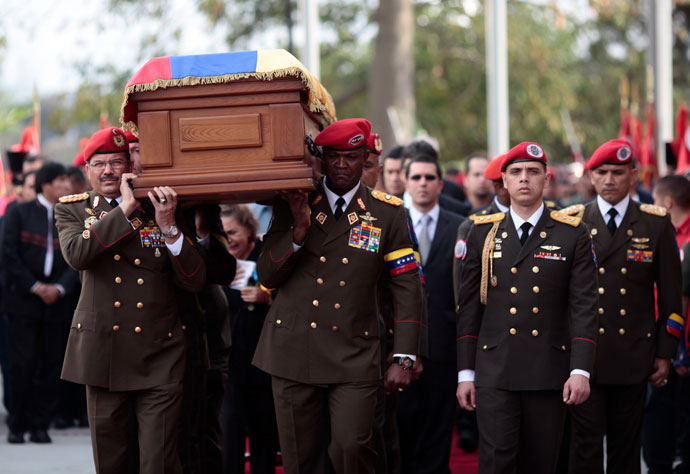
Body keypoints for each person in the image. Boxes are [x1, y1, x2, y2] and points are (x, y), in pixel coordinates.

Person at [252, 118, 423, 474]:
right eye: (334, 157)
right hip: (293, 350)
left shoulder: (386, 212)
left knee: (352, 449)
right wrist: (298, 230)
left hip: (354, 352)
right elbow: (267, 275)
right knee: (302, 458)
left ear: (366, 159)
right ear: (322, 159)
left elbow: (406, 285)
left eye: (352, 157)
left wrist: (405, 354)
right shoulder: (293, 200)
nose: (342, 166)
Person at [54, 126, 206, 474]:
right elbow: (78, 255)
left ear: (131, 167)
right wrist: (124, 208)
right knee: (113, 462)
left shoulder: (164, 205)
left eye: (117, 162)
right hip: (102, 352)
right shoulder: (72, 211)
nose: (108, 171)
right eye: (100, 164)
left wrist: (169, 226)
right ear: (86, 171)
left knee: (158, 462)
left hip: (159, 353)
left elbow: (194, 279)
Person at [456, 141, 598, 474]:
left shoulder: (572, 233)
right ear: (503, 181)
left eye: (533, 172)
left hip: (547, 369)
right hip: (495, 368)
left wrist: (580, 370)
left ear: (546, 179)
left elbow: (584, 306)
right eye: (516, 172)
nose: (524, 179)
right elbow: (469, 309)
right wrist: (466, 373)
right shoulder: (482, 233)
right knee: (496, 461)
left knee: (542, 462)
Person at [569, 139, 682, 474]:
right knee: (584, 448)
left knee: (626, 449)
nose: (608, 180)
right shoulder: (571, 221)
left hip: (633, 354)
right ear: (590, 176)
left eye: (617, 173)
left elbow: (672, 298)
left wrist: (665, 352)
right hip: (584, 357)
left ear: (633, 176)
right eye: (601, 172)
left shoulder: (655, 223)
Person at [1, 162, 80, 444]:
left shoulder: (72, 214)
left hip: (58, 302)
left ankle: (40, 424)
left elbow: (79, 257)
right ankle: (17, 424)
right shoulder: (19, 212)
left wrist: (59, 287)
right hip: (24, 301)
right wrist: (35, 287)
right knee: (22, 364)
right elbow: (9, 254)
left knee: (51, 364)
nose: (67, 185)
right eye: (61, 180)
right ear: (45, 185)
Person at [397, 155, 464, 473]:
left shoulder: (461, 223)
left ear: (440, 183)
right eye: (416, 177)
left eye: (429, 177)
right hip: (400, 345)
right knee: (404, 422)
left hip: (444, 341)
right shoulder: (391, 219)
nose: (422, 183)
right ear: (406, 183)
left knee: (439, 424)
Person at [220, 204, 279, 474]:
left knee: (263, 429)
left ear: (250, 230)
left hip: (264, 360)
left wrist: (268, 298)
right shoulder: (216, 261)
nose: (228, 238)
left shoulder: (266, 256)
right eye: (223, 233)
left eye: (233, 232)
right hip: (228, 362)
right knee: (229, 428)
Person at [643, 174, 690, 474]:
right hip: (657, 342)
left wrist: (681, 349)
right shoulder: (657, 233)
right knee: (658, 419)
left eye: (656, 201)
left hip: (680, 348)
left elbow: (682, 297)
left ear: (667, 202)